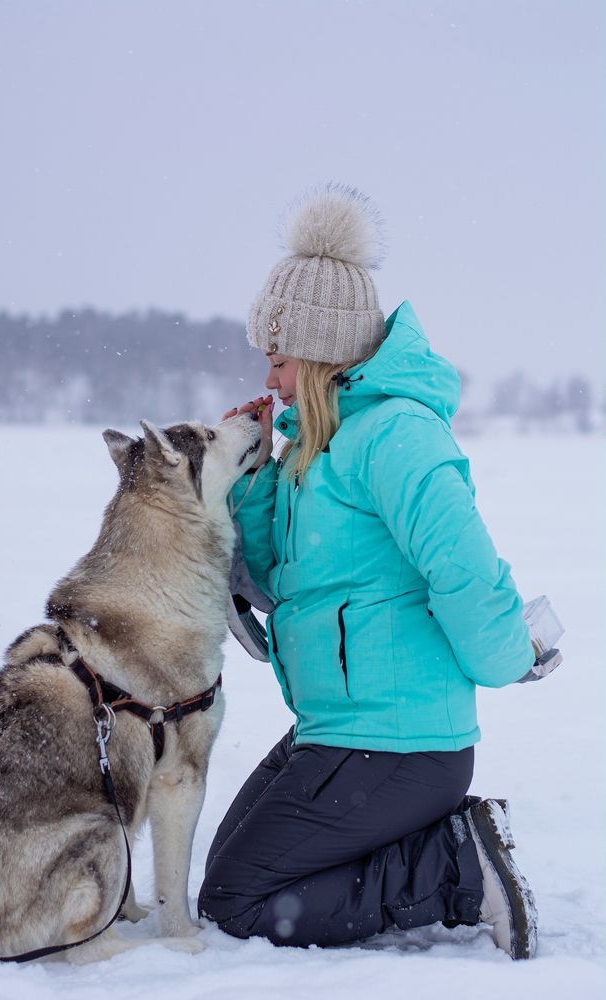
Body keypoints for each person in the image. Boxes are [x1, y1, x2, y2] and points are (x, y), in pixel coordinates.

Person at [198, 184, 540, 960]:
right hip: (342, 731)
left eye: (280, 361)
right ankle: (430, 844)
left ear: (319, 354)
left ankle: (458, 864)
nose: (272, 380)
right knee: (227, 878)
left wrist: (508, 656)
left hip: (402, 743)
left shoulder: (397, 439)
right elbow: (284, 582)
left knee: (238, 900)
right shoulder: (316, 451)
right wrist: (251, 476)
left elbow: (464, 567)